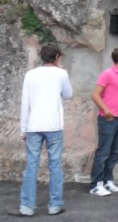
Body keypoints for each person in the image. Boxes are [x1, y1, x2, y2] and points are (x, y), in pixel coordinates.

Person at [19, 43, 73, 217]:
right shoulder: (61, 74)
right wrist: (61, 71)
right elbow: (68, 94)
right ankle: (54, 205)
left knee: (31, 165)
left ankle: (26, 206)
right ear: (57, 57)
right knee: (55, 165)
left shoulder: (30, 75)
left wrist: (23, 129)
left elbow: (25, 103)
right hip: (54, 126)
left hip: (33, 125)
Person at [89, 45, 118, 197]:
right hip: (108, 120)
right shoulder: (107, 74)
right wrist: (106, 111)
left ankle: (108, 180)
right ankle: (96, 184)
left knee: (114, 152)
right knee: (103, 152)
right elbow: (95, 95)